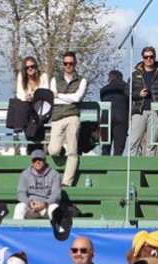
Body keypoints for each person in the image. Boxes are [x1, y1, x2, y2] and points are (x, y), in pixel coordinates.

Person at [48, 51, 87, 187]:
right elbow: (53, 99)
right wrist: (67, 97)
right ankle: (61, 151)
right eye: (66, 63)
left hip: (73, 116)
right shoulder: (55, 79)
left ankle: (66, 182)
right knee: (53, 150)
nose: (68, 66)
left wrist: (59, 95)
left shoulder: (82, 80)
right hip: (57, 116)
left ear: (75, 63)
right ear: (63, 64)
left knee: (73, 151)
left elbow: (77, 98)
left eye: (71, 63)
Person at [129, 46, 158, 157]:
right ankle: (132, 169)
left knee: (151, 145)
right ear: (143, 58)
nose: (149, 59)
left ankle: (147, 171)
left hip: (156, 113)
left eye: (151, 57)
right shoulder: (134, 74)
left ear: (155, 58)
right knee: (133, 142)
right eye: (146, 57)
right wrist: (138, 94)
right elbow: (126, 92)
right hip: (139, 111)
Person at [14, 149, 61, 220]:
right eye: (35, 160)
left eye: (40, 159)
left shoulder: (54, 174)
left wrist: (44, 203)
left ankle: (57, 231)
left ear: (45, 160)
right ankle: (17, 230)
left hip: (46, 206)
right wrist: (29, 202)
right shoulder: (25, 174)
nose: (37, 162)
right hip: (31, 206)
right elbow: (20, 193)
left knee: (54, 208)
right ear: (32, 162)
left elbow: (56, 194)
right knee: (20, 207)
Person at [99, 70, 128, 156]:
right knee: (119, 147)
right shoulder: (126, 88)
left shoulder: (103, 90)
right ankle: (117, 164)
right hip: (122, 115)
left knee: (106, 145)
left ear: (110, 79)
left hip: (106, 116)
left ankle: (104, 164)